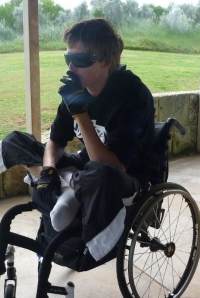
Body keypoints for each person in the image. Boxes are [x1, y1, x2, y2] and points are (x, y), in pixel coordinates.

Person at [0, 18, 154, 264]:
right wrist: (49, 169)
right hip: (86, 169)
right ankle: (63, 187)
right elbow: (55, 141)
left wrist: (80, 114)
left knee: (98, 172)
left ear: (105, 60)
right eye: (67, 58)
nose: (71, 67)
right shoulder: (76, 90)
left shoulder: (132, 94)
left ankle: (67, 189)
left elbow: (113, 166)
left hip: (123, 178)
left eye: (80, 61)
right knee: (14, 141)